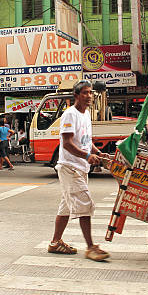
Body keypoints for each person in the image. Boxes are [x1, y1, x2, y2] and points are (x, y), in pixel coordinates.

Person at [48, 80, 110, 261]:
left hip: (80, 167)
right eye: (85, 93)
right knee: (84, 205)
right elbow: (67, 143)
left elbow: (85, 139)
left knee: (66, 207)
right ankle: (90, 247)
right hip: (70, 167)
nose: (89, 96)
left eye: (90, 93)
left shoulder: (86, 114)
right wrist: (86, 156)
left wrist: (97, 152)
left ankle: (55, 242)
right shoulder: (70, 114)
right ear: (76, 95)